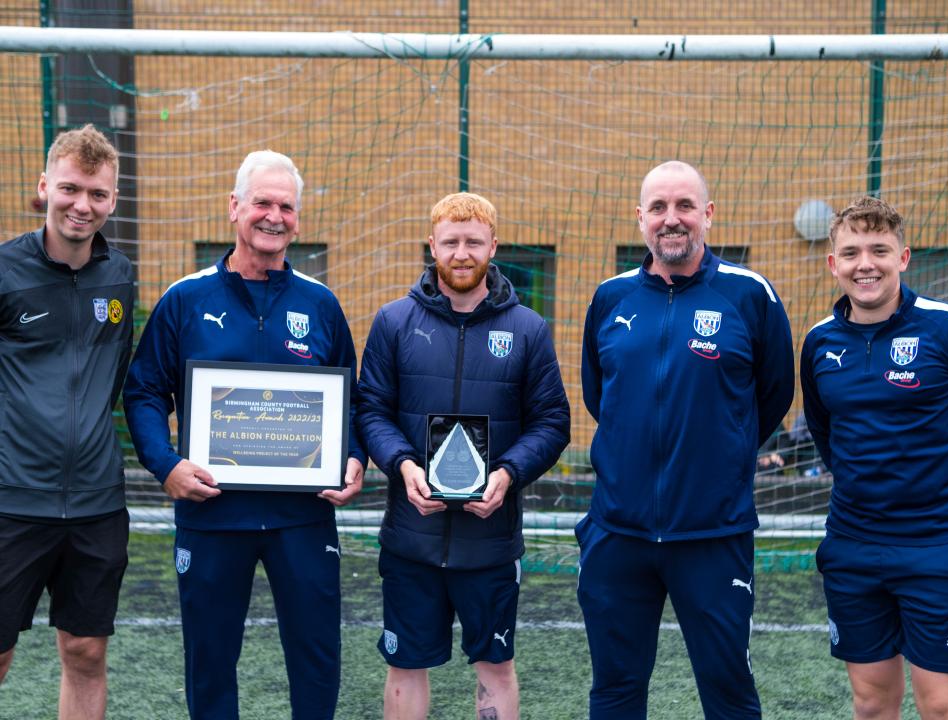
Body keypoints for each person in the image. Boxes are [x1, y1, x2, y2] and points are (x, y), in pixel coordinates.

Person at [123, 150, 366, 719]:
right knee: (209, 663)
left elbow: (353, 403)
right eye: (262, 202)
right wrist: (166, 465)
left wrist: (353, 459)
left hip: (303, 518)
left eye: (286, 206)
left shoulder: (321, 304)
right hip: (212, 516)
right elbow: (144, 393)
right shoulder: (185, 299)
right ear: (235, 208)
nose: (273, 216)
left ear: (298, 219)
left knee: (317, 660)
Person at [578, 160, 794, 719]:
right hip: (617, 533)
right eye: (658, 208)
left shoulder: (751, 294)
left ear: (708, 215)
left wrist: (720, 451)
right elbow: (601, 398)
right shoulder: (609, 298)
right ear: (640, 219)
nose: (671, 220)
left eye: (684, 206)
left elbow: (771, 395)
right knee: (615, 690)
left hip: (712, 533)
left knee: (728, 693)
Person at [357, 192, 570, 720]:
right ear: (432, 245)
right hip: (412, 537)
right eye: (450, 241)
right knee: (405, 669)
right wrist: (403, 465)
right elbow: (371, 412)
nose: (461, 253)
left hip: (490, 542)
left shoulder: (528, 329)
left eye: (473, 241)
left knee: (495, 669)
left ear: (493, 246)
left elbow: (553, 422)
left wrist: (507, 473)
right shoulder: (393, 321)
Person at [800, 197, 948, 719]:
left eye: (879, 250)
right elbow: (826, 433)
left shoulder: (947, 328)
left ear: (904, 257)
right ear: (833, 264)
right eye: (850, 252)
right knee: (871, 703)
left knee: (940, 706)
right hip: (854, 546)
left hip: (937, 547)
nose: (864, 263)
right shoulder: (819, 342)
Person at [0, 124, 133, 719]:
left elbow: (116, 376)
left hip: (96, 504)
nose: (83, 205)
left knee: (85, 650)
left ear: (113, 199)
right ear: (44, 187)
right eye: (71, 189)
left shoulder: (120, 277)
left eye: (98, 194)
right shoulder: (4, 270)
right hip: (11, 503)